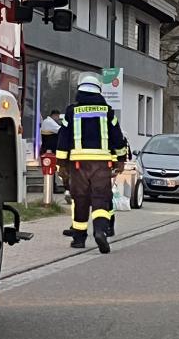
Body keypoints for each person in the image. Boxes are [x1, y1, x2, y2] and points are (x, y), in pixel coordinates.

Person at [52, 75, 129, 253]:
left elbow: (63, 138)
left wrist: (61, 165)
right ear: (98, 91)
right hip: (102, 163)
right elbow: (117, 137)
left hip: (78, 164)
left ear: (80, 90)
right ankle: (100, 231)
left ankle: (79, 239)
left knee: (80, 199)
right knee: (100, 198)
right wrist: (120, 159)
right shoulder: (107, 111)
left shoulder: (71, 111)